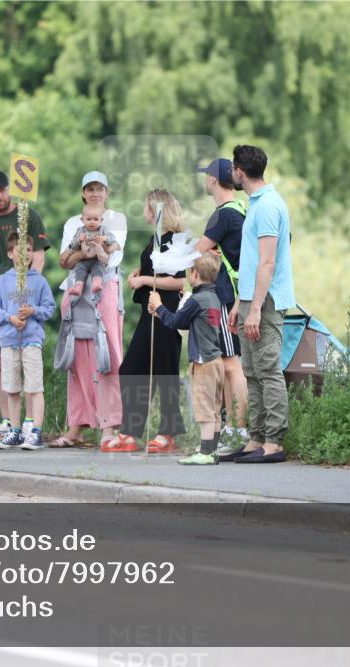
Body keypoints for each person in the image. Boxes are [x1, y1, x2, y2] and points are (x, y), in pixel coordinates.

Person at [224, 145, 295, 464]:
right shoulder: (255, 204)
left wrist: (255, 308)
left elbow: (267, 263)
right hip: (251, 299)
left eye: (232, 168)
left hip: (265, 302)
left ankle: (274, 443)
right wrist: (241, 302)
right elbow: (252, 263)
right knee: (251, 371)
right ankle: (256, 438)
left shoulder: (267, 206)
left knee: (267, 370)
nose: (231, 173)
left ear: (240, 171)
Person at [106, 189, 187, 454]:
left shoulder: (174, 240)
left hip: (165, 312)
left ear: (155, 209)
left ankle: (167, 432)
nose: (143, 212)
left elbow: (178, 280)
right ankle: (130, 430)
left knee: (165, 372)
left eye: (145, 207)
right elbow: (156, 269)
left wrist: (144, 280)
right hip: (147, 312)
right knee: (131, 369)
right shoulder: (156, 239)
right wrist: (140, 273)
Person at [52, 171, 127, 450]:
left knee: (107, 353)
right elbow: (64, 260)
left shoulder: (116, 219)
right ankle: (77, 427)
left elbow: (110, 257)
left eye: (100, 189)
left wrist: (82, 253)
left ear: (107, 192)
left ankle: (110, 426)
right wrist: (87, 252)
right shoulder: (74, 221)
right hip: (75, 288)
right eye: (90, 189)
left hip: (104, 287)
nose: (95, 193)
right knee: (77, 357)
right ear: (83, 193)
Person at [0, 170, 51, 443]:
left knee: (29, 362)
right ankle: (9, 422)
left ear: (9, 188)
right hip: (0, 299)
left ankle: (32, 424)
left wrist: (32, 294)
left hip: (25, 301)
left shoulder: (28, 215)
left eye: (1, 190)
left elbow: (40, 258)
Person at [194, 158, 250, 455]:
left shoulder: (221, 214)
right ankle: (232, 429)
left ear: (214, 180)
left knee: (231, 364)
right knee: (232, 362)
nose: (205, 181)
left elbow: (198, 253)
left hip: (228, 296)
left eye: (207, 177)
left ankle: (238, 430)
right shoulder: (241, 209)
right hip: (240, 293)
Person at [148, 253, 225, 465]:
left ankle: (206, 453)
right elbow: (186, 322)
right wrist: (161, 313)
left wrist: (159, 304)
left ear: (195, 274)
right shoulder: (213, 298)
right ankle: (212, 450)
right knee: (215, 408)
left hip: (203, 362)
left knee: (204, 409)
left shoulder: (197, 300)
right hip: (217, 361)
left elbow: (174, 322)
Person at [0, 232, 56, 451]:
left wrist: (33, 311)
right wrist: (10, 318)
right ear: (10, 253)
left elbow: (49, 308)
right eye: (19, 249)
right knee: (12, 387)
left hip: (31, 340)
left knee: (34, 387)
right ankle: (14, 430)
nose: (24, 253)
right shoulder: (2, 281)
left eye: (28, 249)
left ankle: (35, 431)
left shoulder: (40, 281)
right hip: (8, 341)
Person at [66, 203, 120, 296]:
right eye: (89, 219)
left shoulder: (103, 230)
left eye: (96, 219)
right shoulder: (80, 231)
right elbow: (72, 244)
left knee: (99, 268)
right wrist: (79, 240)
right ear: (82, 220)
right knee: (79, 269)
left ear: (101, 220)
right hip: (83, 260)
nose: (92, 222)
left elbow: (113, 239)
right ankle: (78, 287)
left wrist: (104, 238)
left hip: (97, 259)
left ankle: (97, 283)